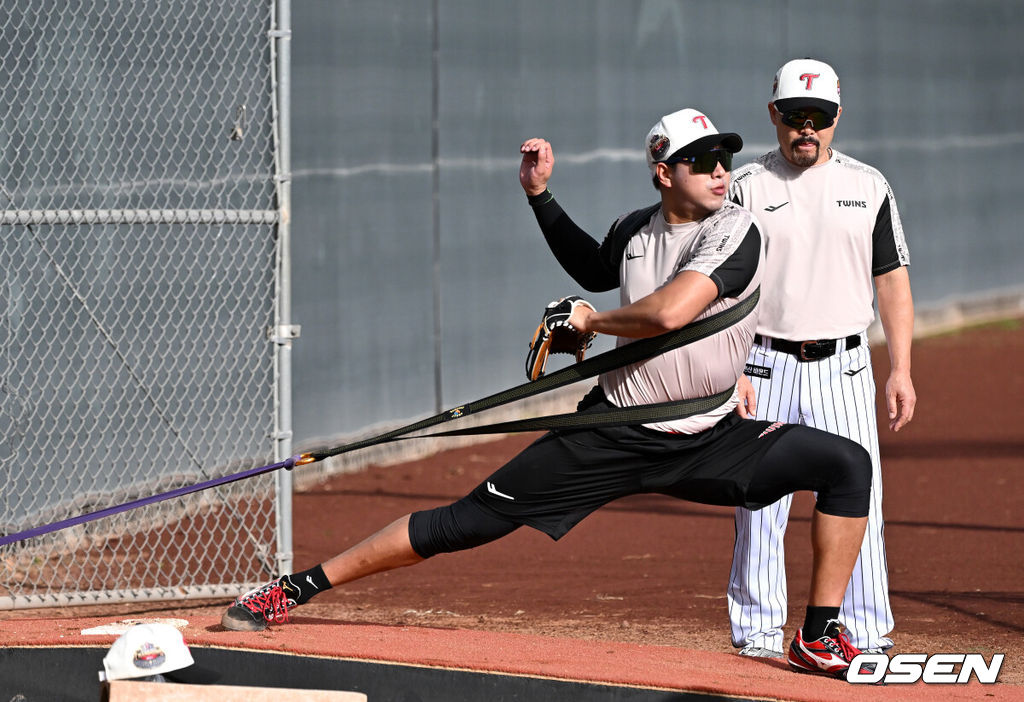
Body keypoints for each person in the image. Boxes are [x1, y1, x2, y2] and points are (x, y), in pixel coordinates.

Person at [221, 107, 875, 679]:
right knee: (464, 522)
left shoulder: (736, 229)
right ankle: (294, 589)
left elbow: (670, 313)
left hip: (710, 438)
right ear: (662, 172)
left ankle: (817, 635)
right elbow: (593, 266)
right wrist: (540, 196)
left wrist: (592, 320)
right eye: (700, 160)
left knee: (846, 465)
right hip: (612, 433)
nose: (719, 170)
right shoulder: (634, 230)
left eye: (723, 158)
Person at [726, 58, 916, 659]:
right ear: (773, 115)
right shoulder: (745, 187)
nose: (806, 128)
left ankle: (862, 628)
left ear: (838, 116)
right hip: (762, 365)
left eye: (820, 117)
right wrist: (729, 369)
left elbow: (892, 283)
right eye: (793, 116)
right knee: (759, 501)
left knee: (861, 501)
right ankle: (756, 635)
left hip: (846, 366)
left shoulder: (869, 185)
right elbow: (719, 288)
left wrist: (902, 368)